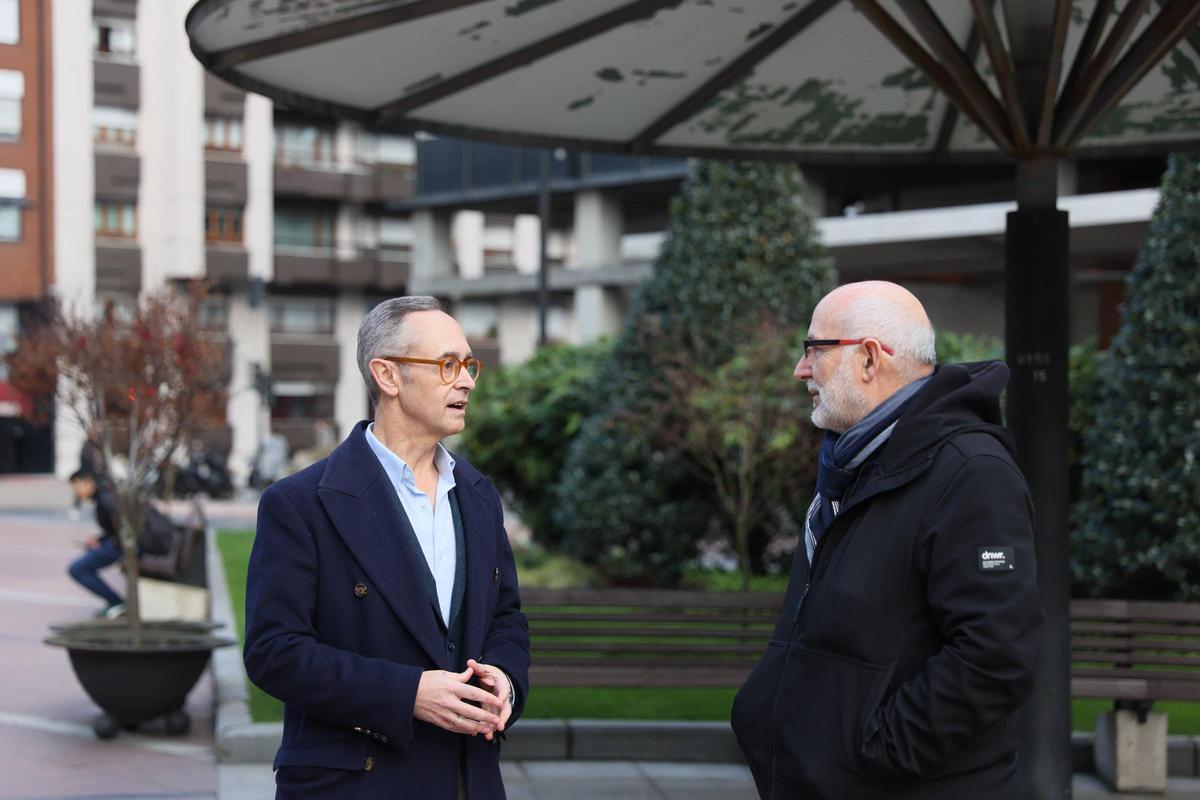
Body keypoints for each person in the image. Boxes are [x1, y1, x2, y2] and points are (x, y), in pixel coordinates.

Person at [731, 281, 1043, 799]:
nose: (800, 370)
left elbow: (996, 655)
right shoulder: (855, 464)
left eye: (814, 350)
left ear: (871, 359)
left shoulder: (971, 473)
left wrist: (874, 752)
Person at [244, 296, 530, 800]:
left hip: (470, 780)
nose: (466, 380)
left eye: (469, 365)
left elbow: (506, 617)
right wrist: (407, 694)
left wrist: (505, 681)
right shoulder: (299, 504)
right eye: (447, 365)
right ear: (388, 376)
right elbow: (273, 652)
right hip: (356, 784)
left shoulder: (479, 495)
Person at [67, 468, 126, 618]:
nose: (76, 492)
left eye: (76, 486)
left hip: (127, 546)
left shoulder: (106, 498)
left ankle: (116, 602)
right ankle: (115, 602)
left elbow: (124, 529)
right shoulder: (104, 495)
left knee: (78, 568)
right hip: (121, 543)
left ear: (88, 483)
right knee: (82, 565)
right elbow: (116, 529)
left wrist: (107, 542)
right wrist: (100, 540)